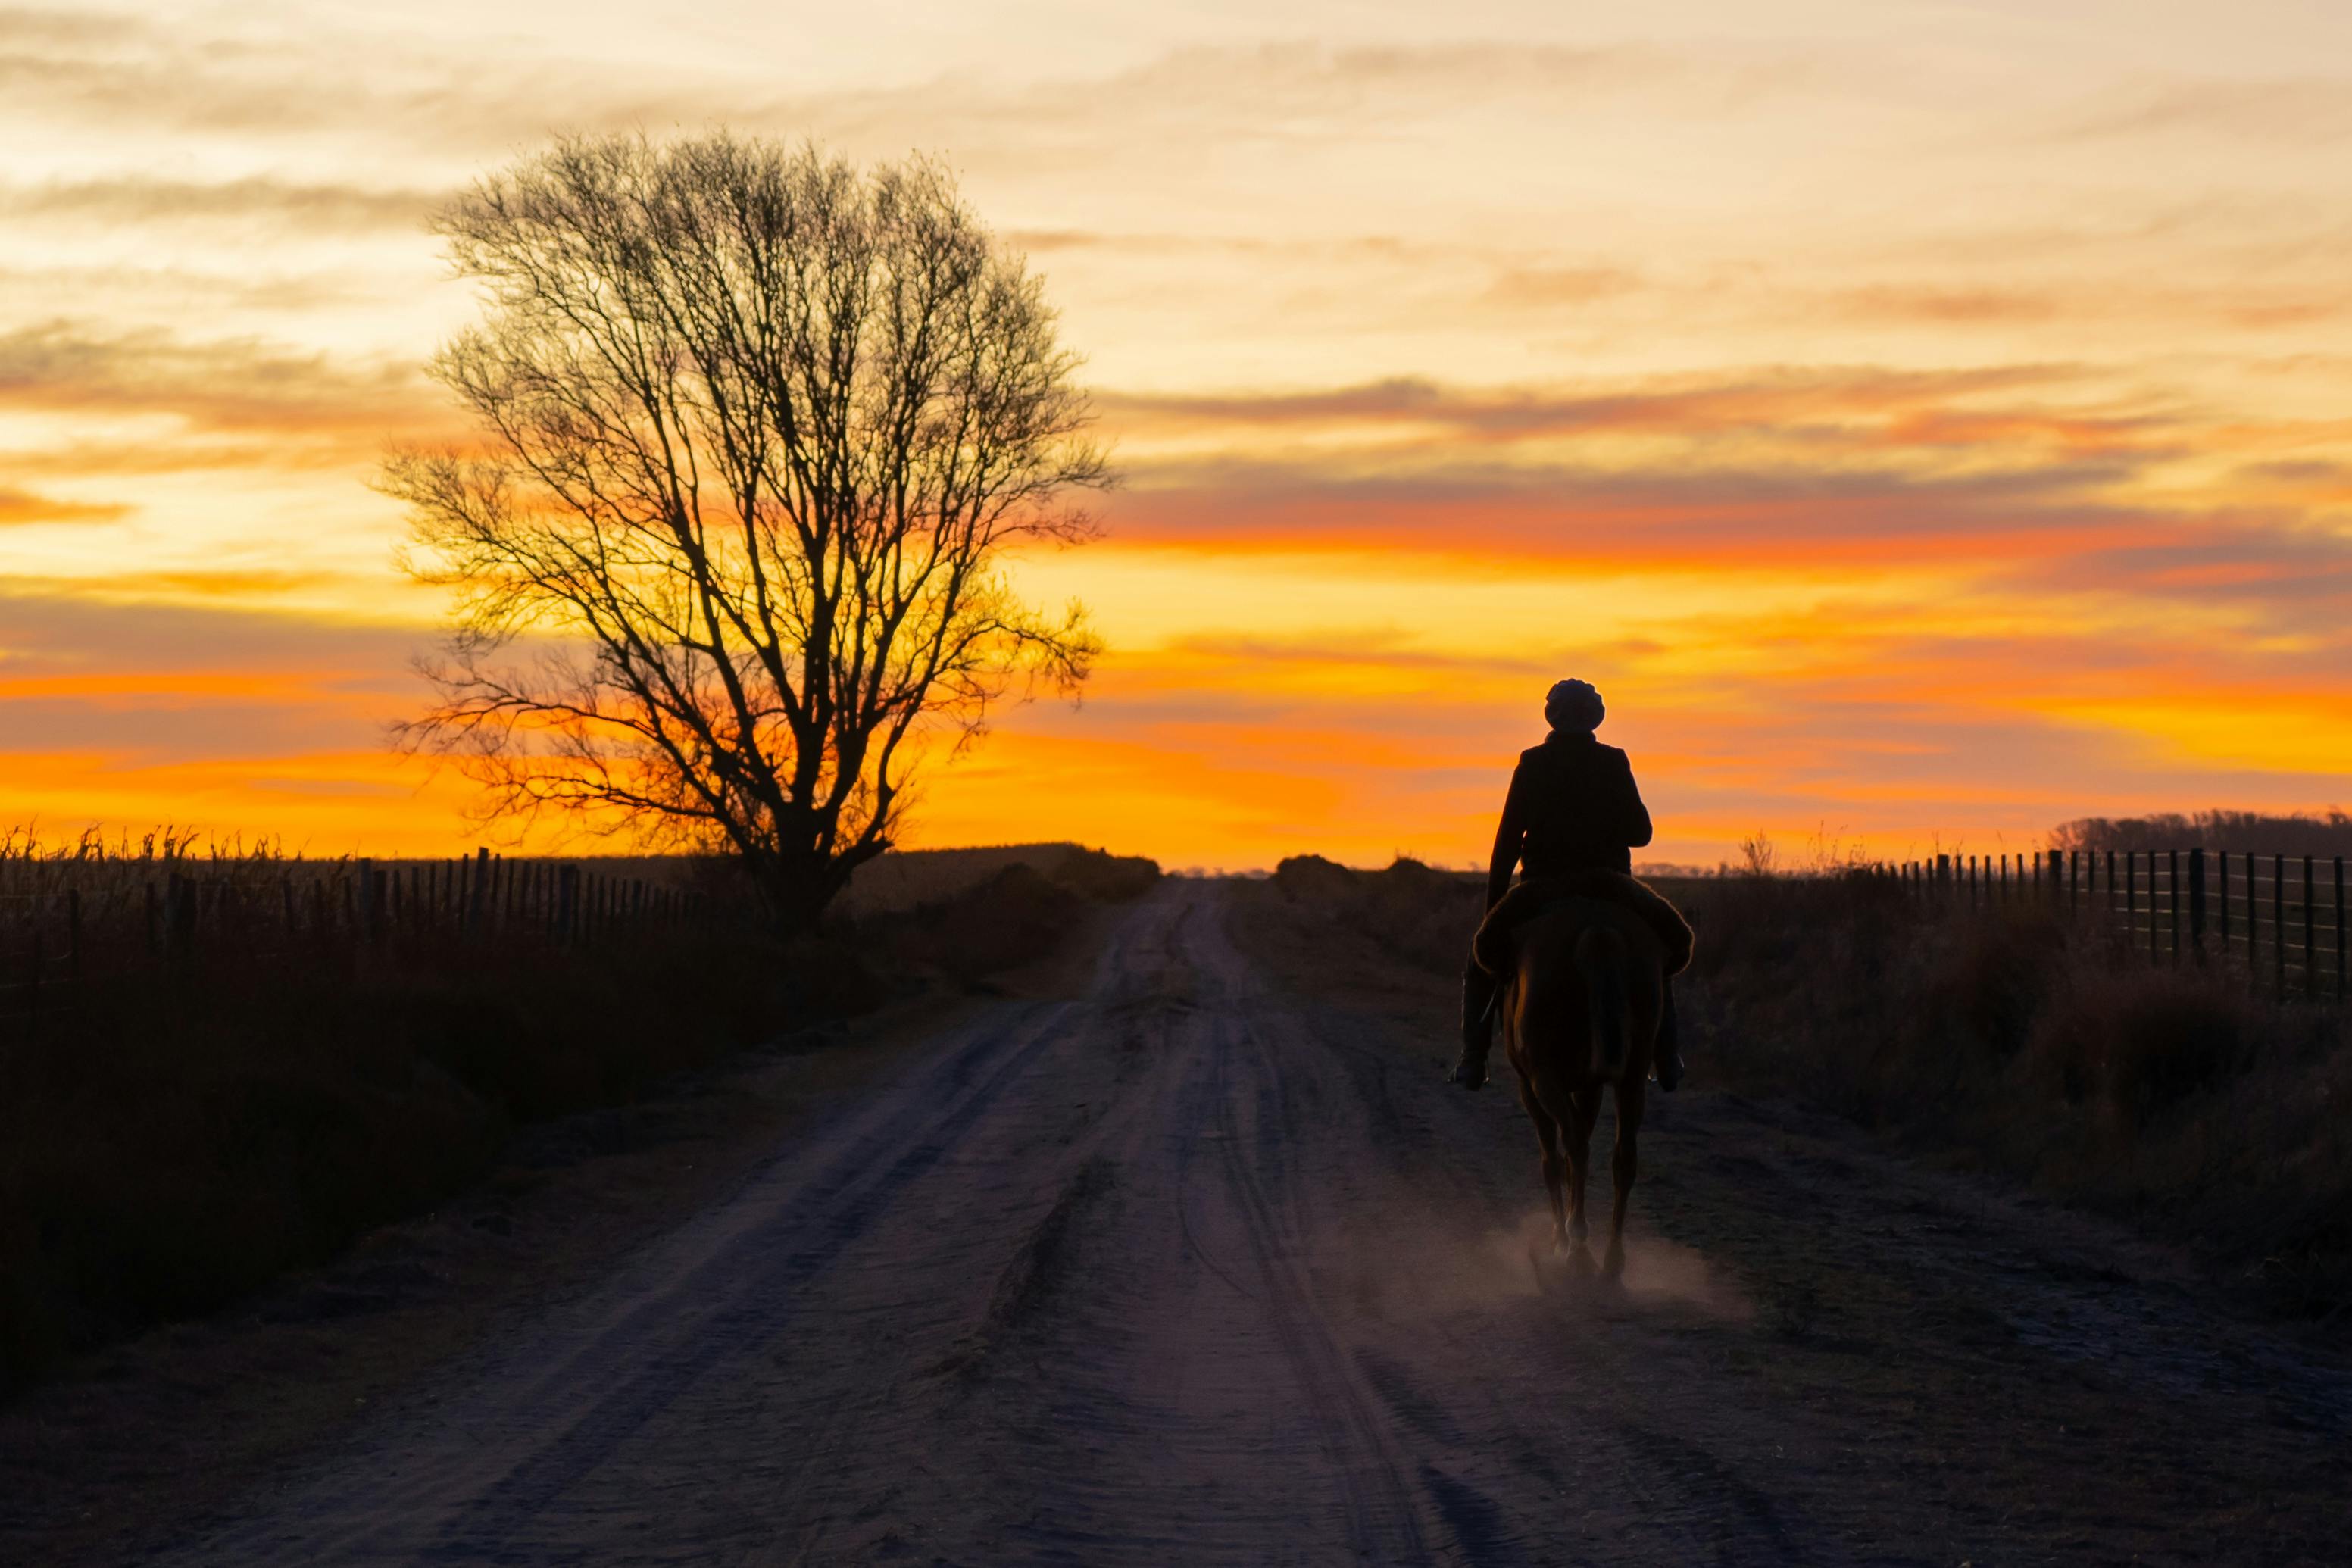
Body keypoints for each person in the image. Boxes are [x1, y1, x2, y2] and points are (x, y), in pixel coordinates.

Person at [1450, 678, 1685, 1092]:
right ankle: (1666, 1057)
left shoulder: (1533, 762)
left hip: (1544, 888)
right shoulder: (1615, 762)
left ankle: (1473, 1058)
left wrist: (1493, 910)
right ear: (1596, 717)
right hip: (1611, 887)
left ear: (1552, 718)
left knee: (1481, 955)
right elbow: (1641, 832)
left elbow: (1506, 844)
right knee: (1668, 944)